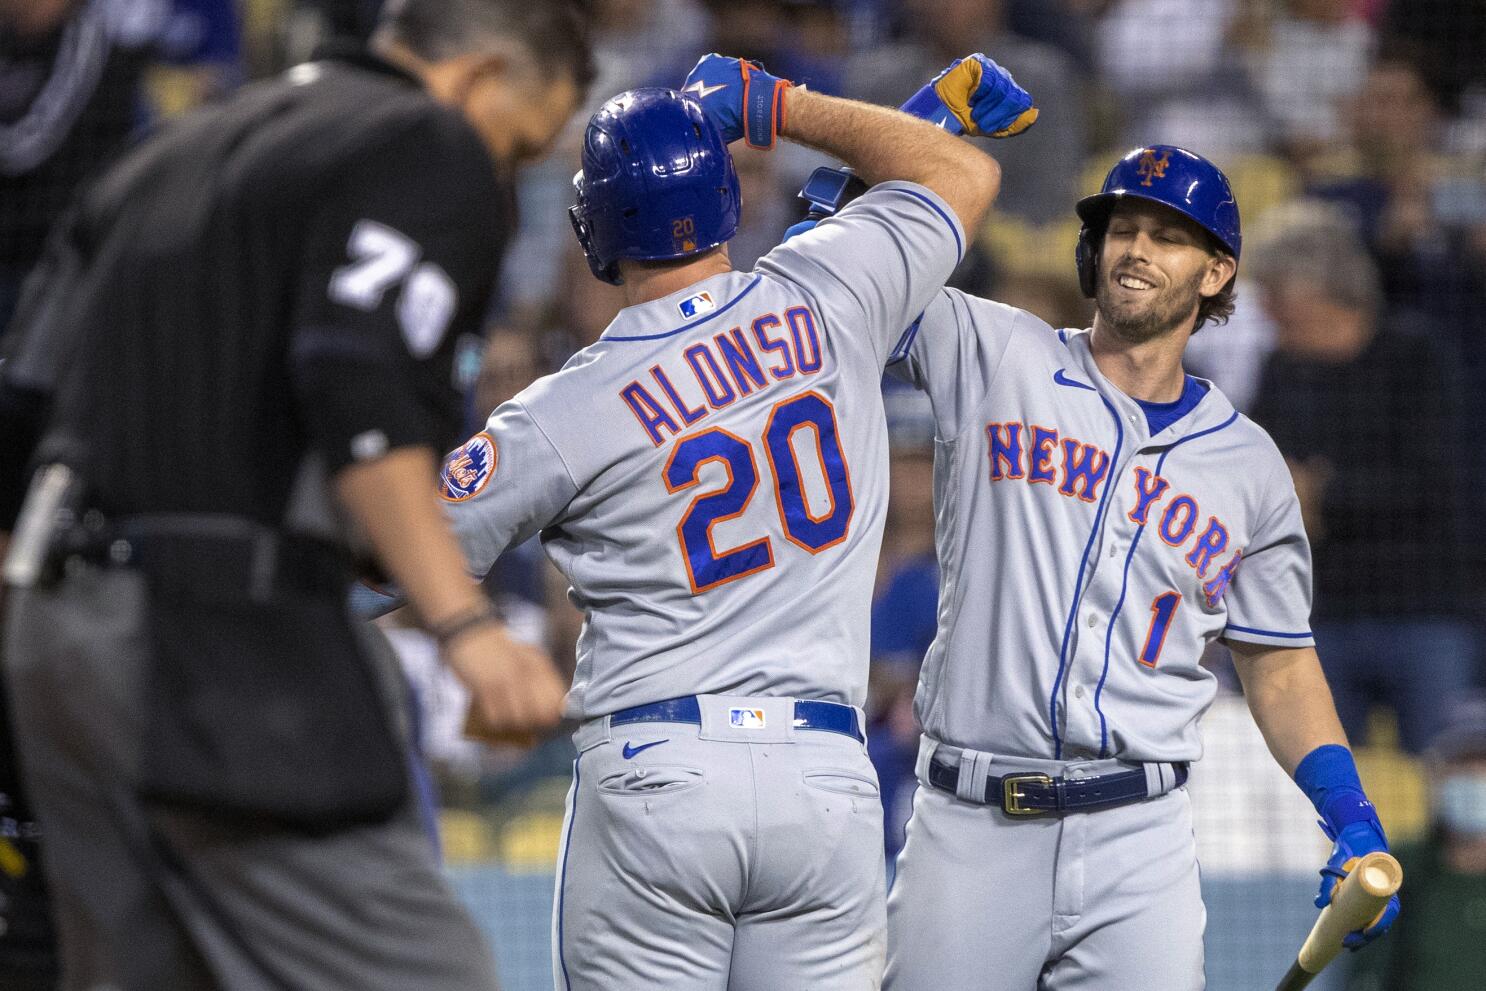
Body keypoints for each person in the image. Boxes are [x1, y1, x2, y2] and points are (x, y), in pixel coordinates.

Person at [0, 0, 592, 987]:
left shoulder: (170, 149)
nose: (507, 172)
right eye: (520, 144)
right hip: (215, 651)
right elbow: (356, 389)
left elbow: (21, 408)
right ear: (480, 78)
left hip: (56, 642)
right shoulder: (422, 139)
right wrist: (466, 627)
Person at [438, 53, 1033, 989]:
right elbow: (961, 169)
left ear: (592, 230)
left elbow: (392, 559)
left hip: (658, 770)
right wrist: (778, 104)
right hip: (824, 783)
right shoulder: (831, 285)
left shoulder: (561, 411)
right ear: (724, 196)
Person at [845, 143, 1400, 988]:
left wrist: (1353, 816)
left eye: (1168, 237)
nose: (1138, 249)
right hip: (971, 819)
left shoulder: (1249, 466)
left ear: (1216, 273)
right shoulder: (992, 350)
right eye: (1123, 229)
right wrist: (916, 132)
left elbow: (1281, 667)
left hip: (1139, 838)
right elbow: (845, 271)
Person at [1245, 200, 1481, 755]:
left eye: (1277, 293)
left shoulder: (1419, 357)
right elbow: (1261, 472)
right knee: (1318, 789)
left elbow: (1436, 485)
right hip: (1320, 615)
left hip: (1426, 611)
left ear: (1319, 288)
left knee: (1447, 788)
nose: (1268, 310)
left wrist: (1324, 492)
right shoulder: (1281, 368)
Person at [1345, 695, 1486, 991]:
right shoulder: (1398, 871)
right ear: (1435, 773)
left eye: (1483, 763)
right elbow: (1366, 976)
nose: (1475, 776)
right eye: (1461, 763)